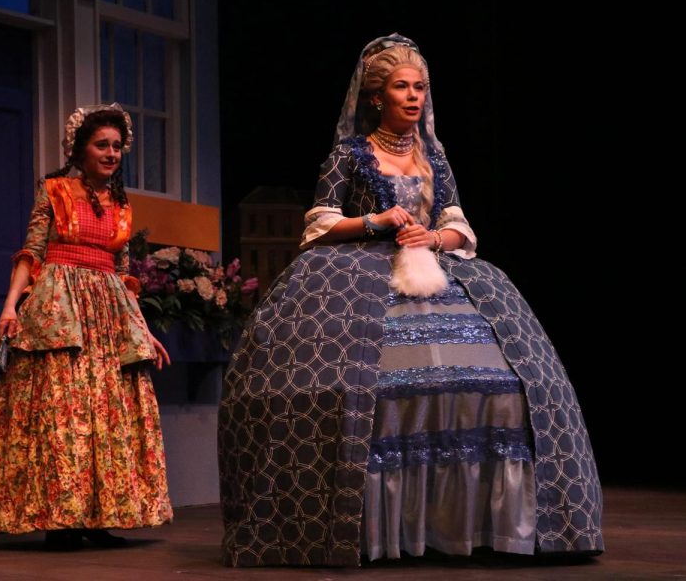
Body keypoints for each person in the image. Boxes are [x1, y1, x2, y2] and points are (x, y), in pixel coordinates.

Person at [218, 35, 603, 566]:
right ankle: (374, 527)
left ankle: (473, 525)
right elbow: (319, 225)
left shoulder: (434, 159)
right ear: (376, 96)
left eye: (420, 87)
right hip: (360, 274)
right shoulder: (348, 155)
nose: (414, 96)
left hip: (437, 272)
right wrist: (374, 221)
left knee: (505, 384)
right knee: (378, 392)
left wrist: (433, 238)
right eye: (402, 87)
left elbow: (457, 225)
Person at [0, 103, 173, 549]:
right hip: (61, 311)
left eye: (117, 146)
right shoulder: (55, 192)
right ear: (81, 149)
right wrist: (10, 307)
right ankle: (60, 520)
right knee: (62, 413)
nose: (111, 153)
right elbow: (31, 252)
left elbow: (124, 274)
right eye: (102, 145)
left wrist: (143, 329)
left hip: (109, 316)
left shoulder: (122, 204)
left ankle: (97, 518)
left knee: (105, 417)